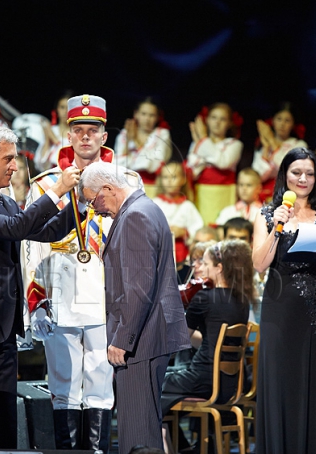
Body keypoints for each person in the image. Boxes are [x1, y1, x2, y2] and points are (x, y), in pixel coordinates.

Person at [0, 125, 81, 448]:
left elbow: (43, 232)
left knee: (5, 425)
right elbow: (17, 227)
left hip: (3, 329)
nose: (14, 165)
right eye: (7, 158)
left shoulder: (4, 202)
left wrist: (80, 205)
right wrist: (57, 190)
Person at [22, 94, 116, 453]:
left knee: (100, 382)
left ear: (104, 136)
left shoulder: (126, 181)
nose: (86, 137)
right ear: (69, 135)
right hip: (60, 292)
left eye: (93, 130)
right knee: (63, 384)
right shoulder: (47, 184)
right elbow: (32, 247)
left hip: (106, 294)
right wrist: (37, 299)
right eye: (79, 130)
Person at [79, 161, 190, 454]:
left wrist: (122, 339)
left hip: (143, 339)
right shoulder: (146, 208)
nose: (95, 210)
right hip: (149, 335)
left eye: (94, 201)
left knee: (138, 433)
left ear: (108, 188)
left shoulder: (135, 217)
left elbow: (138, 288)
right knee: (142, 427)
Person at [251, 147, 316, 453]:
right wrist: (278, 227)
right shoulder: (266, 214)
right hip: (279, 306)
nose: (303, 179)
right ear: (285, 175)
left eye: (309, 173)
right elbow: (259, 264)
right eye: (296, 173)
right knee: (281, 382)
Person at [160, 240, 252, 449]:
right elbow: (210, 339)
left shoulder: (204, 298)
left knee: (150, 382)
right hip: (229, 382)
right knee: (164, 378)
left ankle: (169, 447)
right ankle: (183, 447)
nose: (204, 269)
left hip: (203, 379)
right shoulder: (242, 300)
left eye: (207, 264)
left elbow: (176, 339)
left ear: (220, 268)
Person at [187, 103, 243, 225]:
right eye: (213, 117)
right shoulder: (196, 143)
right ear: (206, 120)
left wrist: (202, 139)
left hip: (223, 193)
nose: (217, 122)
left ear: (229, 123)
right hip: (202, 193)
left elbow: (223, 162)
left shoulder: (234, 144)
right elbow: (192, 165)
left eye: (222, 119)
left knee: (221, 225)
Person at [115, 98, 173, 197]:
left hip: (153, 186)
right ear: (136, 114)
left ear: (158, 117)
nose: (147, 119)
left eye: (152, 115)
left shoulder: (162, 134)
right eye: (143, 114)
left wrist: (135, 142)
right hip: (128, 187)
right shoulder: (125, 134)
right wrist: (129, 140)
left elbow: (155, 162)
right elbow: (119, 163)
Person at [251, 102, 308, 202]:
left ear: (293, 124)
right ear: (272, 121)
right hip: (263, 193)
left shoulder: (299, 145)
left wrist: (272, 141)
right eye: (279, 119)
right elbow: (257, 175)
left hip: (289, 192)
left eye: (287, 120)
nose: (282, 124)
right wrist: (266, 147)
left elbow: (288, 169)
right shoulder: (262, 144)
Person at [152, 161, 204, 267]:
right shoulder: (154, 203)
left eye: (174, 177)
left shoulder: (187, 206)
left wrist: (184, 232)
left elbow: (198, 229)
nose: (169, 181)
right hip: (157, 252)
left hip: (180, 256)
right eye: (165, 177)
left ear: (183, 179)